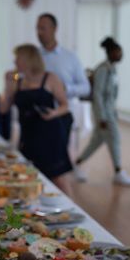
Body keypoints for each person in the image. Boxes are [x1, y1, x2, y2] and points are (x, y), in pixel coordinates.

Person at [0, 44, 73, 195]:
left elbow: (65, 105)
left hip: (51, 135)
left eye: (17, 58)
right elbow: (3, 109)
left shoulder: (50, 78)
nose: (14, 62)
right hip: (28, 136)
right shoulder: (17, 82)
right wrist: (7, 87)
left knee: (58, 178)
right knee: (29, 176)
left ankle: (74, 212)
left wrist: (53, 113)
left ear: (27, 59)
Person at [74, 38, 130, 186]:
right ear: (110, 53)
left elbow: (111, 96)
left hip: (109, 113)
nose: (120, 55)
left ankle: (76, 164)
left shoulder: (112, 70)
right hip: (104, 115)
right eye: (118, 52)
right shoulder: (103, 70)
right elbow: (98, 94)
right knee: (115, 139)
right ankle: (118, 171)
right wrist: (102, 117)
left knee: (96, 141)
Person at [36, 13, 90, 157]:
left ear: (54, 29)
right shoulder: (34, 56)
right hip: (36, 116)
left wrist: (66, 89)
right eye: (37, 29)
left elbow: (85, 87)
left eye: (43, 28)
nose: (39, 33)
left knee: (58, 158)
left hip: (62, 115)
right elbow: (19, 76)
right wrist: (15, 76)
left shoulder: (70, 58)